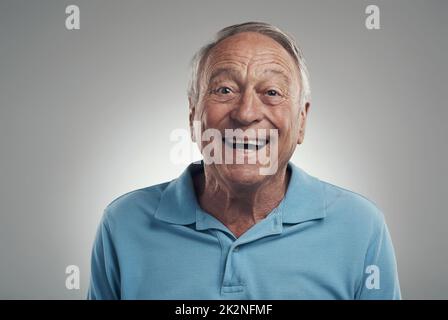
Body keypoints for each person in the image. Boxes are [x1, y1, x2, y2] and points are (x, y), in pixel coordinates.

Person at [88, 21, 401, 299]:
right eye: (224, 89)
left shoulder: (360, 226)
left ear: (301, 121)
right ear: (193, 113)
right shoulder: (124, 223)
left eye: (272, 92)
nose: (246, 113)